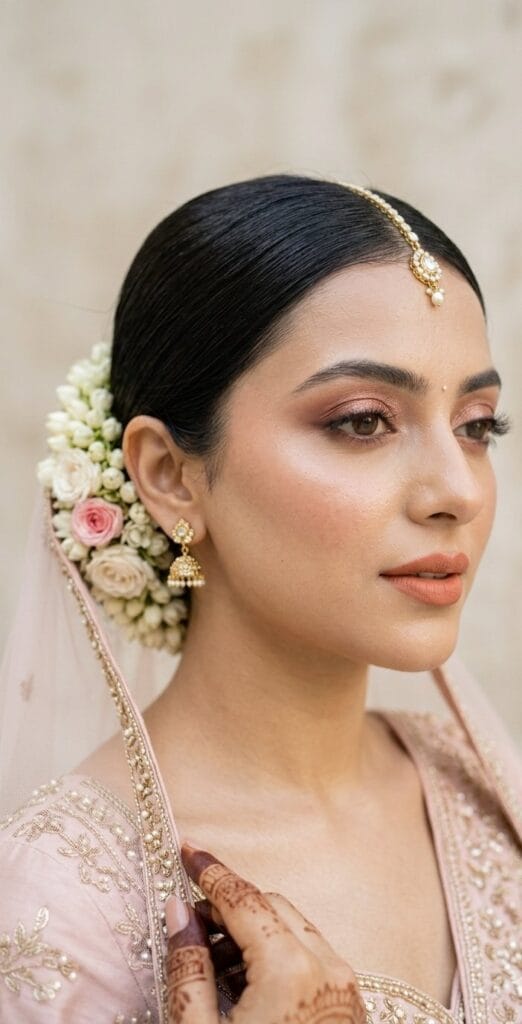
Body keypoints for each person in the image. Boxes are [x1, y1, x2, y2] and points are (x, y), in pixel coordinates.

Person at [0, 175, 520, 1024]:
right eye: (362, 420)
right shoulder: (64, 896)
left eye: (476, 425)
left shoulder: (476, 787)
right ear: (170, 476)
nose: (457, 489)